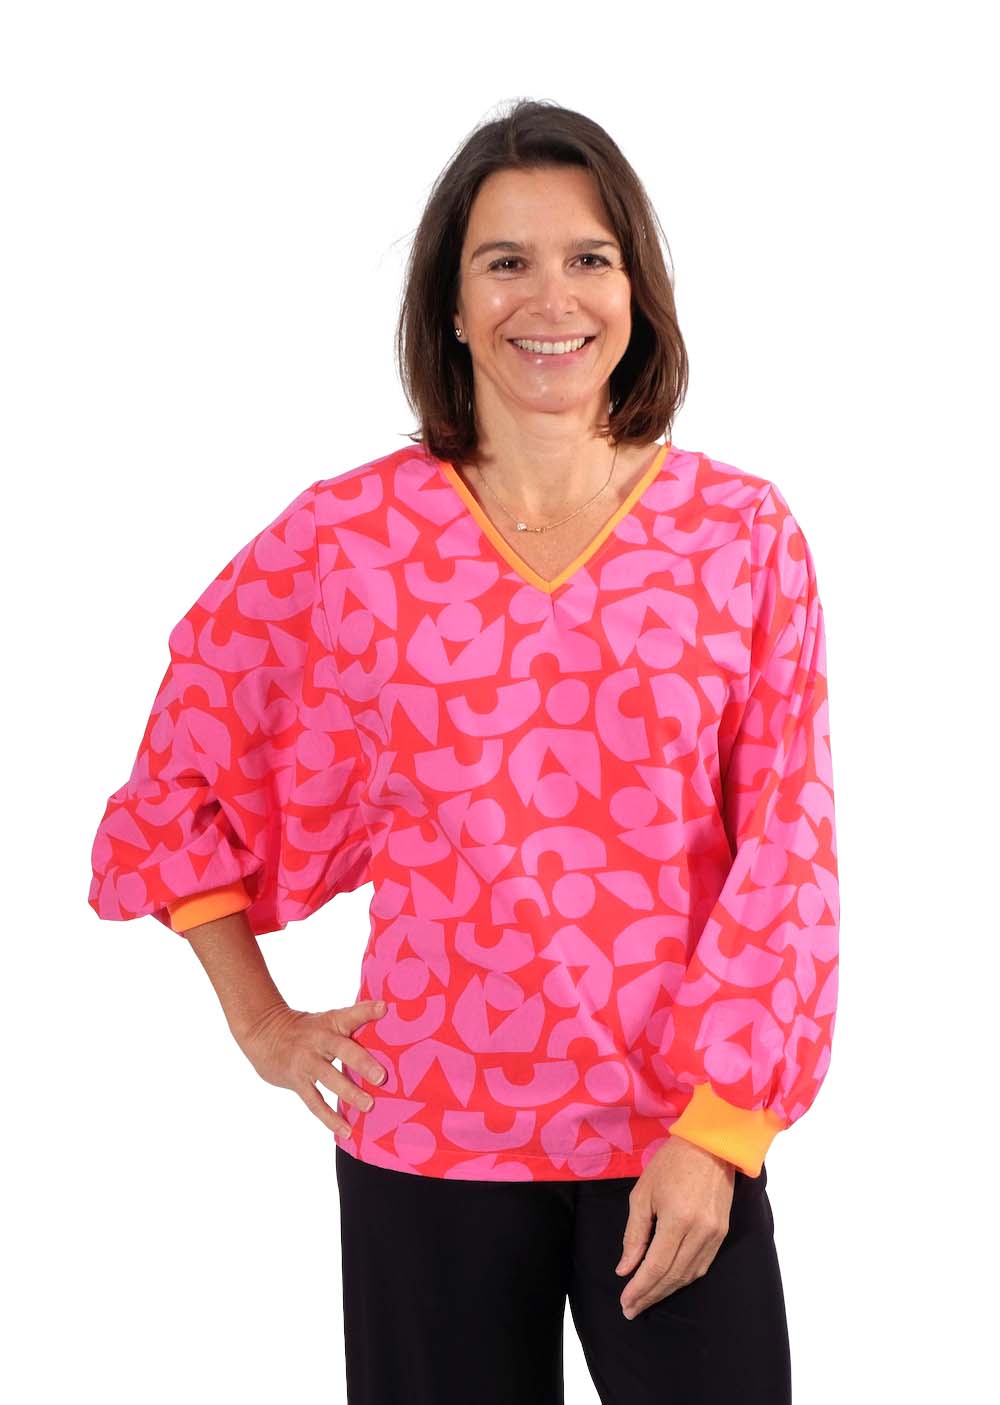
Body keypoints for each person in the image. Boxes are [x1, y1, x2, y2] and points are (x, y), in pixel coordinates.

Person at [87, 98, 838, 1405]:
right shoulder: (347, 542)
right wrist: (259, 1020)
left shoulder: (740, 536)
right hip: (427, 1139)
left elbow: (788, 845)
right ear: (450, 302)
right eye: (506, 261)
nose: (551, 298)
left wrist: (722, 1130)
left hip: (674, 1143)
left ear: (637, 291)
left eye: (589, 257)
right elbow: (178, 774)